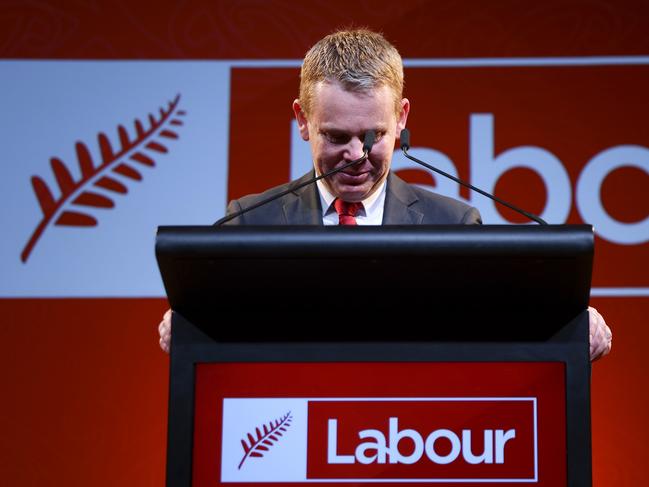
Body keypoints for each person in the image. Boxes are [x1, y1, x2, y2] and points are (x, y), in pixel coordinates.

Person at [157, 29, 612, 360]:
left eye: (373, 136)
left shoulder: (451, 225)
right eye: (335, 137)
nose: (356, 156)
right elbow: (228, 335)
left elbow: (489, 331)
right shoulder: (251, 222)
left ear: (401, 118)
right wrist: (192, 326)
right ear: (301, 119)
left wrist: (568, 324)